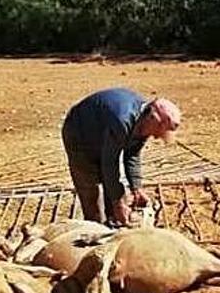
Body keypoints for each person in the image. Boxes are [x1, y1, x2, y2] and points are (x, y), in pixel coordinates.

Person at [61, 88, 182, 226]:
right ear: (152, 119)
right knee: (90, 188)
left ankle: (114, 219)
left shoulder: (143, 121)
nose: (155, 137)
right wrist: (117, 202)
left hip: (102, 131)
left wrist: (136, 187)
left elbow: (132, 154)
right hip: (79, 132)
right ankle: (95, 228)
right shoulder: (122, 121)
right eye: (158, 132)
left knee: (112, 189)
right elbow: (109, 164)